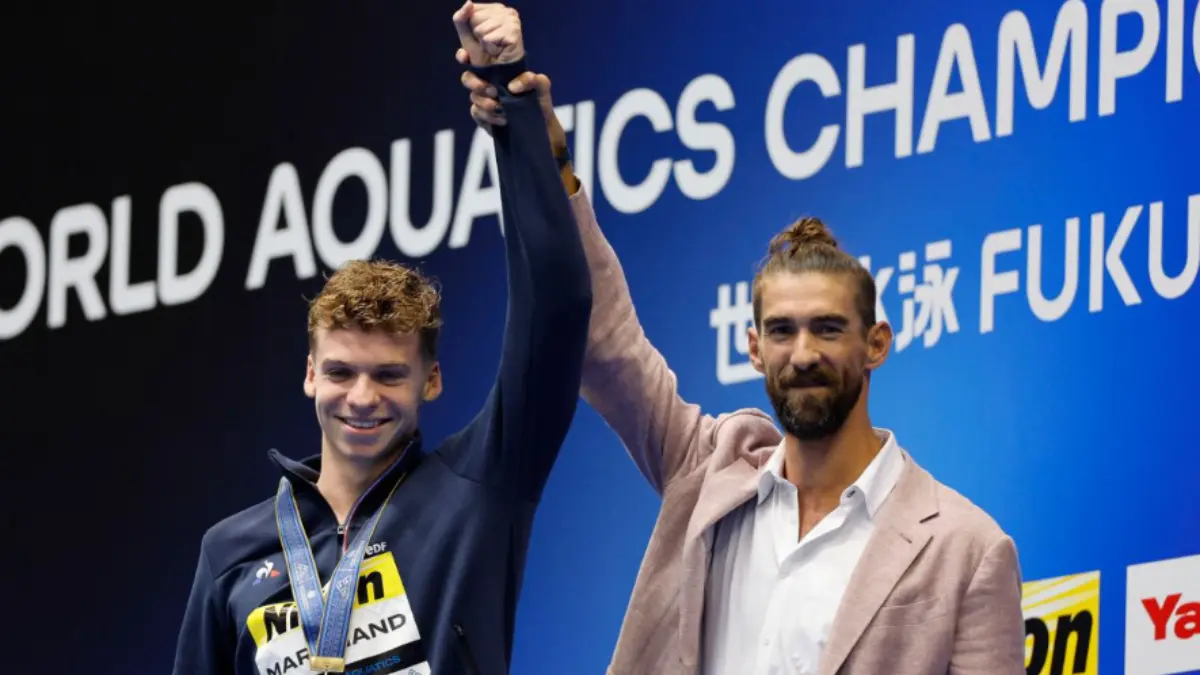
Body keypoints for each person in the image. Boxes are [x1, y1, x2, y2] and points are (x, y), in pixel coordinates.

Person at [459, 43, 1027, 675]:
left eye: (828, 329)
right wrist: (548, 160)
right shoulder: (709, 471)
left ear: (876, 344)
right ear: (755, 348)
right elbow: (605, 339)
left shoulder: (966, 547)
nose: (803, 354)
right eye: (782, 331)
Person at [170, 6, 592, 675]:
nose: (362, 398)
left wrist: (510, 103)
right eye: (341, 372)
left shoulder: (479, 487)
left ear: (431, 379)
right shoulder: (230, 552)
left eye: (389, 375)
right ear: (310, 374)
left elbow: (558, 306)